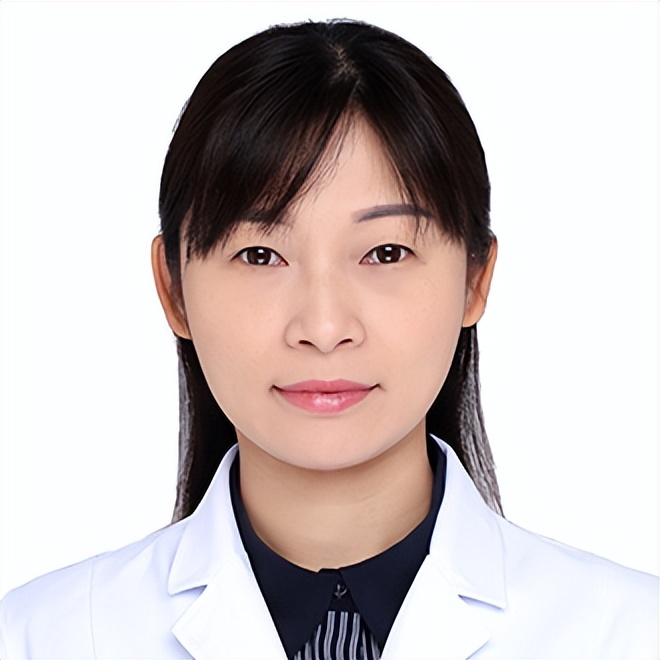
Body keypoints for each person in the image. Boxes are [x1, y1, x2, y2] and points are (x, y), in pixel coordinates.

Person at [0, 19, 656, 660]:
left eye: (386, 252)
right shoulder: (42, 638)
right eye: (260, 255)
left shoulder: (630, 635)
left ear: (474, 280)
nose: (323, 328)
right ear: (173, 290)